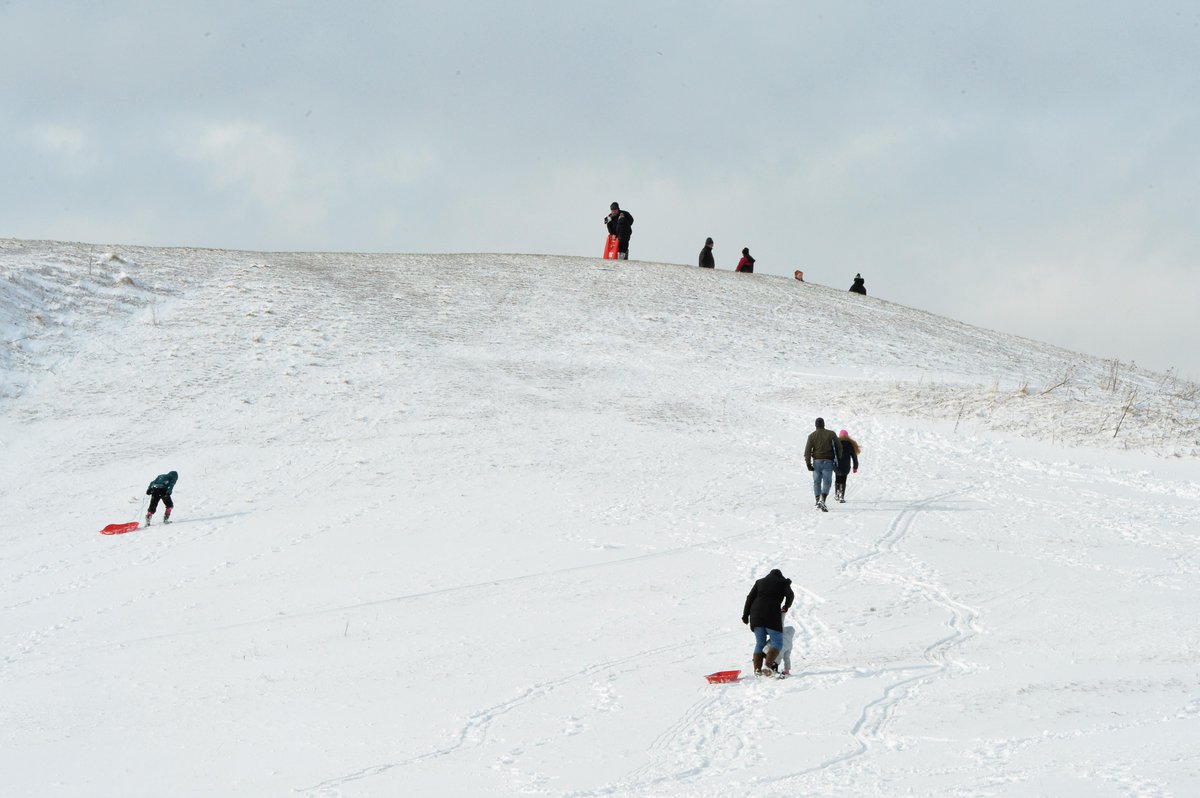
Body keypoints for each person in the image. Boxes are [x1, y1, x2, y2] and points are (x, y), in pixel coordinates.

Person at [741, 568, 794, 676]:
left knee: (760, 643)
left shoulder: (759, 582)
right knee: (777, 642)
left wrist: (745, 615)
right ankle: (768, 666)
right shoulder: (783, 582)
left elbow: (749, 598)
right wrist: (786, 606)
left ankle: (757, 670)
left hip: (756, 616)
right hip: (771, 615)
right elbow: (790, 595)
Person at [804, 417, 841, 511]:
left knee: (817, 482)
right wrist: (838, 458)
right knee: (827, 482)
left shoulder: (812, 436)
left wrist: (808, 464)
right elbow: (839, 447)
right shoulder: (831, 434)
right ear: (824, 424)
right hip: (828, 462)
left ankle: (817, 501)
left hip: (816, 462)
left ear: (815, 425)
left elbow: (807, 451)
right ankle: (822, 499)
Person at [833, 429, 861, 503]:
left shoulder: (836, 443)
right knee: (843, 480)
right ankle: (841, 496)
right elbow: (854, 457)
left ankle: (837, 494)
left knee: (837, 479)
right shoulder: (850, 445)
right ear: (847, 436)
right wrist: (855, 467)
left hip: (836, 466)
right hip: (846, 466)